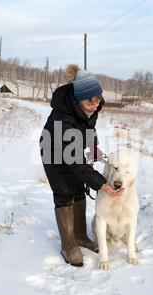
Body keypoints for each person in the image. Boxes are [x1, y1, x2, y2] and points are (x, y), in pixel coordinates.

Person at [39, 64, 124, 267]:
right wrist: (102, 183)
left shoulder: (90, 105)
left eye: (98, 101)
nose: (95, 106)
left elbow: (88, 127)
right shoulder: (63, 116)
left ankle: (80, 235)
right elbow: (76, 161)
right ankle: (68, 244)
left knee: (78, 188)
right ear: (78, 100)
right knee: (65, 191)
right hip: (53, 149)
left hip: (72, 145)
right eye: (90, 102)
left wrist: (93, 148)